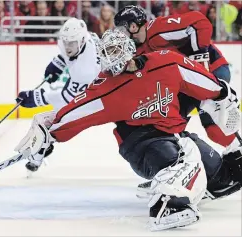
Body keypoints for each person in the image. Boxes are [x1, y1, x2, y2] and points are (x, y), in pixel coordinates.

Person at [14, 29, 241, 231]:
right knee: (183, 159)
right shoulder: (105, 88)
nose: (111, 56)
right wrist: (49, 133)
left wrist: (221, 92)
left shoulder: (167, 62)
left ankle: (199, 183)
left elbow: (200, 81)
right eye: (107, 51)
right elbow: (76, 112)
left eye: (115, 49)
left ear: (129, 49)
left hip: (175, 135)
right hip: (141, 144)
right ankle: (166, 206)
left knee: (223, 176)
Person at [113, 5, 239, 150]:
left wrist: (201, 64)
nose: (121, 35)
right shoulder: (137, 50)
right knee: (168, 123)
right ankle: (184, 159)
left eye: (122, 30)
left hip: (213, 69)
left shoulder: (157, 30)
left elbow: (200, 22)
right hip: (187, 82)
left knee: (213, 128)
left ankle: (238, 152)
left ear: (133, 26)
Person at [16, 17, 101, 111]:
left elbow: (67, 99)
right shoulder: (87, 37)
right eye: (65, 42)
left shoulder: (85, 70)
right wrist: (60, 61)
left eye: (71, 43)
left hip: (99, 101)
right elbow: (74, 51)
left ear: (81, 41)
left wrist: (38, 98)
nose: (67, 47)